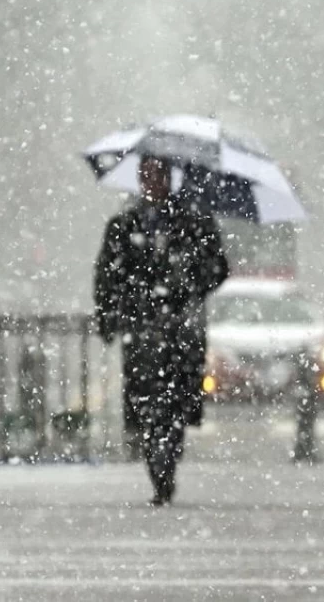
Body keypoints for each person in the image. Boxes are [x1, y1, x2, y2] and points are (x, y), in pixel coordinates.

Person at [94, 156, 228, 506]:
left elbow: (218, 267)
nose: (152, 182)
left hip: (180, 333)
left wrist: (186, 281)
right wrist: (112, 316)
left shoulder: (194, 222)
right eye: (146, 174)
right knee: (148, 405)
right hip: (142, 332)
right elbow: (107, 278)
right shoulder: (123, 226)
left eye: (159, 174)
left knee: (175, 406)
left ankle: (166, 461)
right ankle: (159, 466)